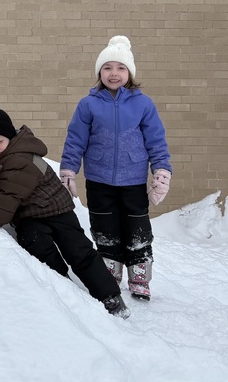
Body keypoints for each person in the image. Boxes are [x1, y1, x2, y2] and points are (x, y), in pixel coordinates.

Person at [0, 108, 131, 318]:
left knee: (79, 251)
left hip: (57, 210)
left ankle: (109, 295)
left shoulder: (21, 157)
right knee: (38, 248)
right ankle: (62, 287)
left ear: (10, 137)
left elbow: (9, 194)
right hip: (27, 216)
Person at [59, 35, 172, 301]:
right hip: (99, 181)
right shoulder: (88, 104)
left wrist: (161, 172)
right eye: (108, 67)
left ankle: (140, 276)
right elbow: (75, 139)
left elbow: (156, 140)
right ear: (100, 72)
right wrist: (68, 170)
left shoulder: (143, 104)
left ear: (129, 73)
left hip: (133, 180)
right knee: (104, 228)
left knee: (137, 228)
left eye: (120, 68)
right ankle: (110, 273)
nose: (114, 73)